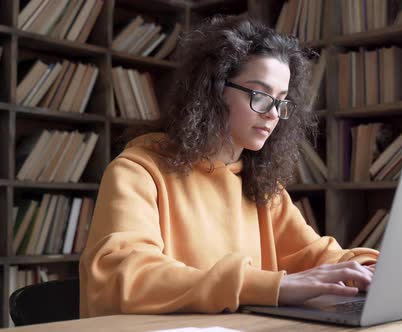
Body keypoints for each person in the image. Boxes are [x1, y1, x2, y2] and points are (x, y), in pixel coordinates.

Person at [79, 15, 379, 318]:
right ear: (215, 88)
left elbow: (316, 255)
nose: (273, 114)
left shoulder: (261, 187)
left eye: (281, 101)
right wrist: (272, 286)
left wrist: (372, 270)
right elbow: (124, 276)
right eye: (261, 95)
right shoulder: (138, 172)